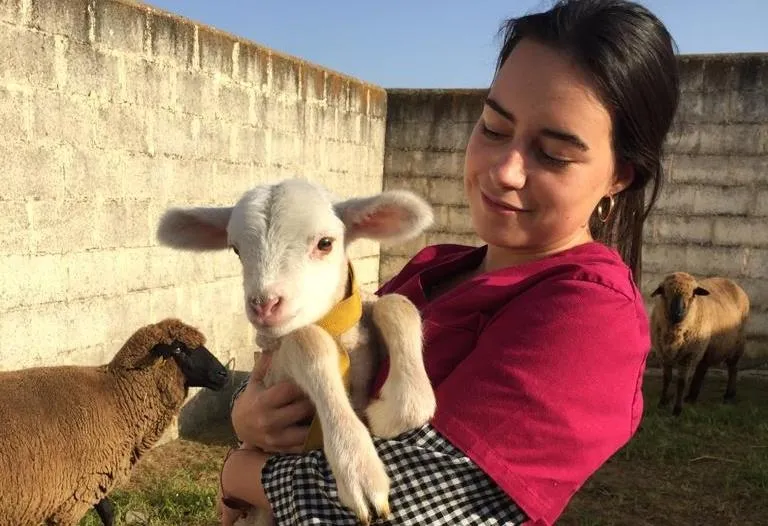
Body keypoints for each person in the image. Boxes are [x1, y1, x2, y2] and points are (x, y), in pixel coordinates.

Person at [218, 0, 681, 524]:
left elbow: (412, 505)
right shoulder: (434, 268)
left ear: (622, 174)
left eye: (553, 153)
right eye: (493, 127)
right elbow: (299, 371)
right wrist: (249, 416)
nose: (505, 170)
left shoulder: (592, 317)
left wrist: (237, 473)